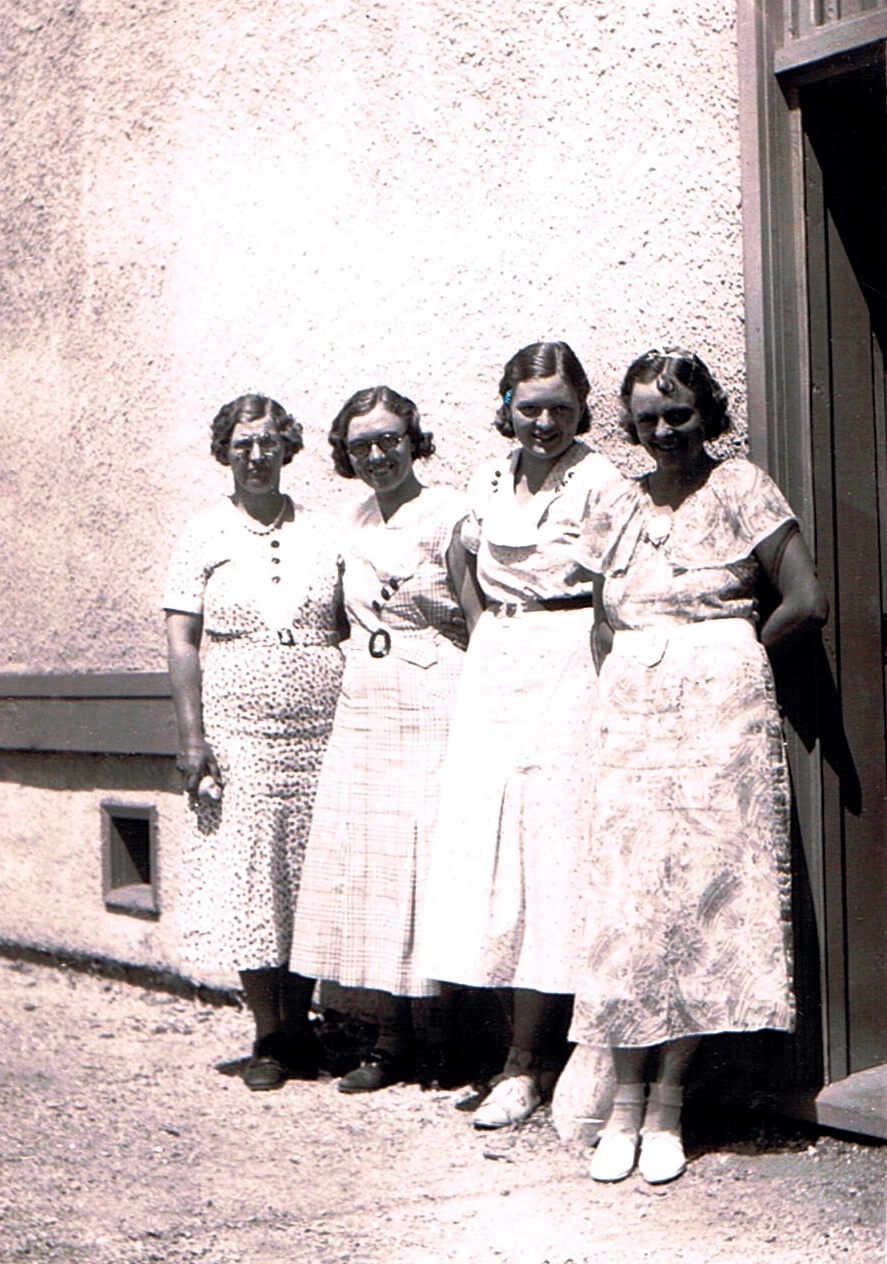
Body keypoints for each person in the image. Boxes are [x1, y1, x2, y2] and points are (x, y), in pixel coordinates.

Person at [570, 348, 828, 1184]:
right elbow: (601, 620)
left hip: (720, 719)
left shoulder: (742, 486)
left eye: (677, 414)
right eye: (647, 418)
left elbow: (805, 600)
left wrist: (726, 655)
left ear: (704, 412)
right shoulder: (616, 502)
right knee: (627, 897)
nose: (663, 431)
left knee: (698, 898)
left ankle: (669, 1106)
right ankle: (622, 1101)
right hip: (634, 721)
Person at [421, 341, 623, 1129]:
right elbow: (458, 554)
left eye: (559, 409)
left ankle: (540, 1060)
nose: (542, 421)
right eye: (528, 406)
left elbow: (612, 582)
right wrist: (483, 630)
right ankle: (516, 1057)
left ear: (581, 411)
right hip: (496, 665)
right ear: (505, 403)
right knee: (492, 852)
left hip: (570, 661)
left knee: (556, 851)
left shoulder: (598, 478)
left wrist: (583, 652)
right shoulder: (489, 476)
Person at [289, 386, 477, 1092]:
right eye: (361, 444)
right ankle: (389, 1039)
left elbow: (475, 616)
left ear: (413, 439)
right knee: (373, 866)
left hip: (436, 696)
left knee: (429, 860)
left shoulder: (449, 513)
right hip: (366, 701)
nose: (376, 454)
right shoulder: (353, 522)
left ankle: (444, 1038)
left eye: (388, 439)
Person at [164, 394, 345, 1091]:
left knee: (304, 871)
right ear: (225, 452)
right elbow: (182, 643)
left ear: (288, 448)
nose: (257, 455)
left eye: (269, 442)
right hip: (238, 726)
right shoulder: (202, 534)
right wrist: (192, 738)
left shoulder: (324, 531)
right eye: (243, 444)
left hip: (320, 725)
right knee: (250, 873)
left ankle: (303, 1028)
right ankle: (269, 1035)